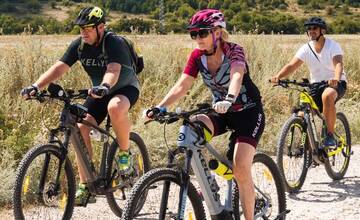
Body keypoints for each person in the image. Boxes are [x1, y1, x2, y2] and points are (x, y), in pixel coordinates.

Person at [146, 9, 264, 220]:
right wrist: (160, 107)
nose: (197, 38)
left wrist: (229, 98)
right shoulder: (197, 57)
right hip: (221, 111)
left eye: (202, 33)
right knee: (192, 126)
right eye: (193, 34)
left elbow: (237, 75)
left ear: (217, 33)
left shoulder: (234, 51)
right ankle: (207, 183)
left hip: (248, 112)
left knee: (241, 167)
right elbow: (182, 85)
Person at [20, 6, 140, 205]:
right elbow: (60, 66)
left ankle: (125, 154)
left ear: (101, 27)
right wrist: (36, 85)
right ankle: (87, 185)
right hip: (100, 91)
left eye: (88, 28)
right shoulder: (80, 45)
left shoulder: (113, 42)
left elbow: (113, 69)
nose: (83, 32)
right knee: (81, 125)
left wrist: (104, 85)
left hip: (125, 88)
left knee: (115, 107)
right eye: (81, 28)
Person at [270, 16, 347, 148]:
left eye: (314, 28)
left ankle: (329, 135)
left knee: (327, 96)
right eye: (309, 28)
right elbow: (291, 65)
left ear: (322, 31)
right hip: (316, 85)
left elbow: (338, 64)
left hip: (335, 83)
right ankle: (309, 150)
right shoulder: (306, 48)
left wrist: (336, 77)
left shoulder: (333, 46)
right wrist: (278, 76)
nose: (311, 31)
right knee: (301, 114)